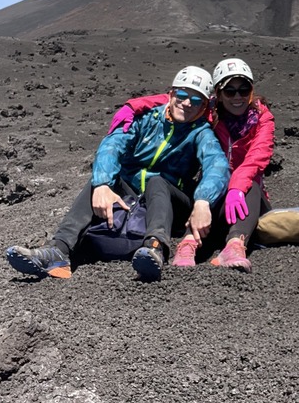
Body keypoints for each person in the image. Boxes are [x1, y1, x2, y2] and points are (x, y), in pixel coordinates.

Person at [5, 66, 229, 282]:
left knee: (158, 181)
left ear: (204, 106)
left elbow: (217, 165)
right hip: (131, 190)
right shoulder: (146, 119)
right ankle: (58, 250)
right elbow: (112, 145)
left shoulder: (201, 133)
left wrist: (202, 201)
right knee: (97, 182)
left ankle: (154, 248)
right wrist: (103, 184)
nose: (187, 103)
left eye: (197, 100)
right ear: (171, 94)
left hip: (170, 202)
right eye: (182, 95)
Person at [107, 58, 275, 272]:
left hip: (244, 203)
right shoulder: (210, 112)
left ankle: (234, 246)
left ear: (251, 91)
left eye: (244, 90)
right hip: (215, 196)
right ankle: (187, 244)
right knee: (205, 190)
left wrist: (236, 187)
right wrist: (132, 106)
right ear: (219, 95)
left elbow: (257, 157)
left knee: (250, 186)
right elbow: (179, 98)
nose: (237, 97)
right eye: (230, 91)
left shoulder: (263, 119)